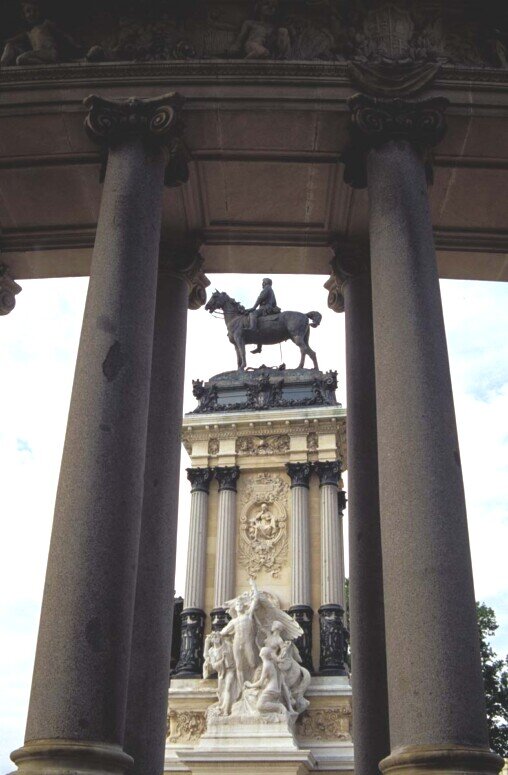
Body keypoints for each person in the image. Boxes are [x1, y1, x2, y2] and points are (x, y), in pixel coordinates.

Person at [1, 1, 82, 66]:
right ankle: (2, 65)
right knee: (9, 45)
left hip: (49, 53)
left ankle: (46, 66)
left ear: (40, 12)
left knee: (20, 59)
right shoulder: (29, 33)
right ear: (24, 15)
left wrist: (75, 44)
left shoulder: (46, 24)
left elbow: (62, 34)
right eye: (28, 11)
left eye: (35, 11)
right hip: (38, 55)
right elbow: (10, 40)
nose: (32, 14)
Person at [246, 277, 281, 353]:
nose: (262, 284)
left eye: (263, 282)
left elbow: (260, 298)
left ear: (266, 283)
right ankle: (259, 348)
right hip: (270, 308)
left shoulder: (267, 289)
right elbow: (275, 303)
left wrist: (253, 307)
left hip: (265, 308)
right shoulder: (271, 290)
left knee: (252, 314)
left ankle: (252, 328)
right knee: (260, 326)